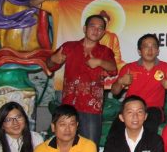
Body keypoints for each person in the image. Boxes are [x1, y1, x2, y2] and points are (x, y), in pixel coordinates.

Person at [47, 14, 117, 146]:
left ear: (103, 33)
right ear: (85, 28)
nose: (96, 30)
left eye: (100, 28)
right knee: (64, 145)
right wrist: (52, 60)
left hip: (91, 107)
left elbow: (113, 69)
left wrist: (99, 62)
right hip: (68, 105)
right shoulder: (69, 47)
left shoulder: (105, 51)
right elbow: (50, 64)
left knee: (90, 145)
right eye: (92, 26)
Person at [110, 33, 167, 134]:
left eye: (153, 46)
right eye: (146, 46)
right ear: (139, 51)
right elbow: (115, 91)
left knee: (147, 131)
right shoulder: (128, 68)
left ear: (158, 51)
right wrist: (120, 81)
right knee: (115, 133)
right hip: (130, 108)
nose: (150, 50)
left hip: (153, 109)